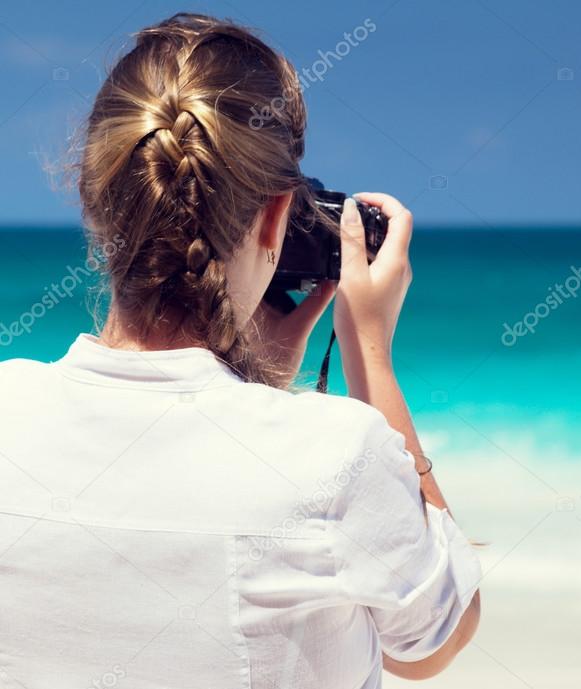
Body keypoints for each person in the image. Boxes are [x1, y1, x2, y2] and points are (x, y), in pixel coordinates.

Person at [0, 13, 480, 689]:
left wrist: (251, 382)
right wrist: (367, 351)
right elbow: (433, 640)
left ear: (91, 195)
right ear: (278, 216)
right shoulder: (334, 455)